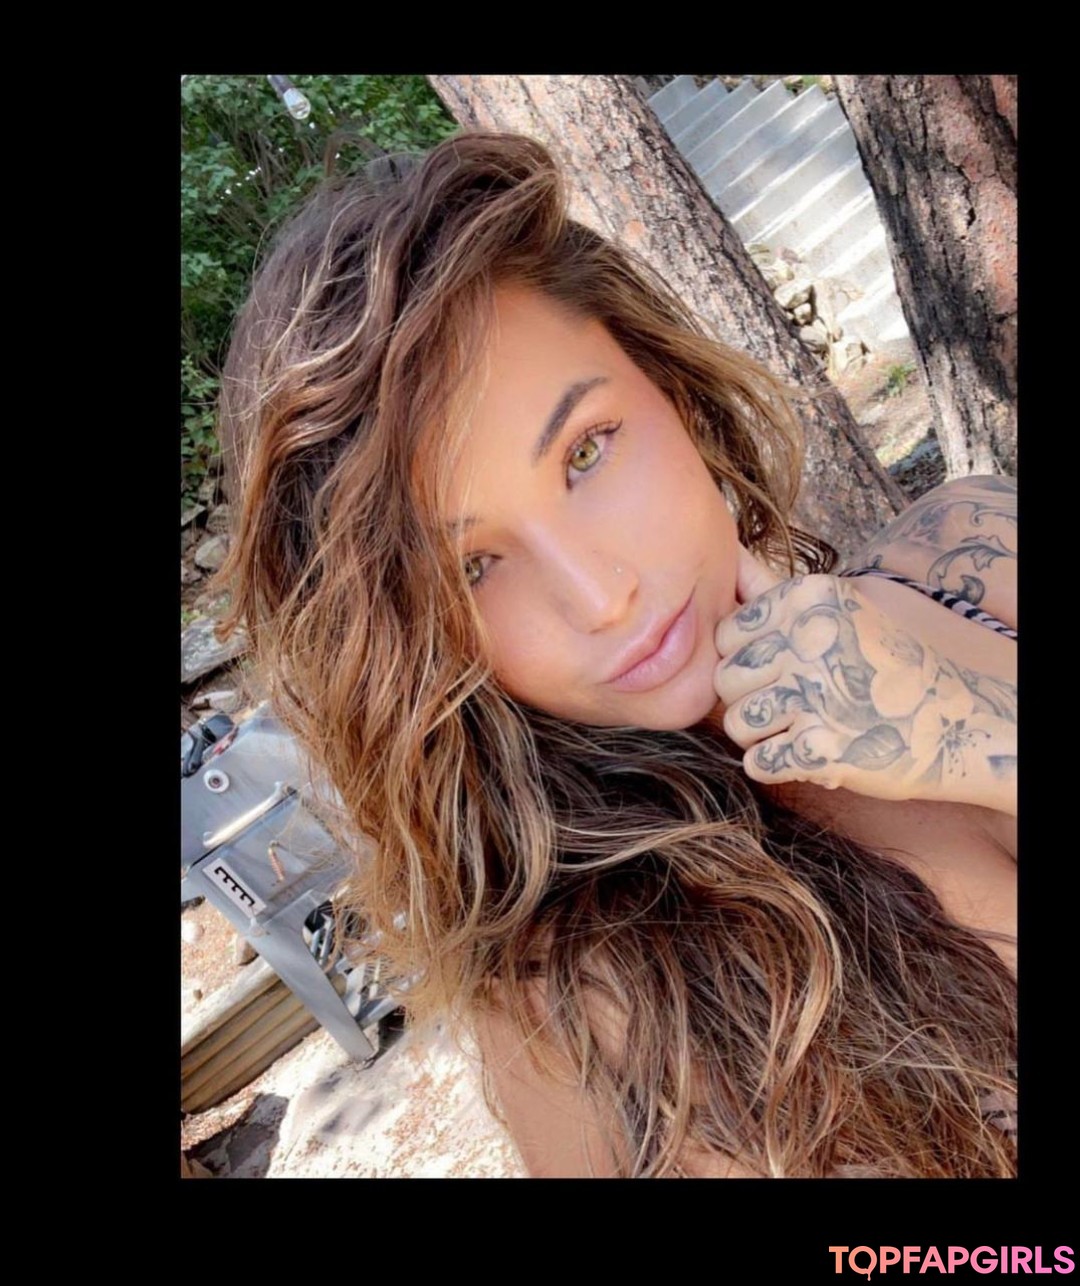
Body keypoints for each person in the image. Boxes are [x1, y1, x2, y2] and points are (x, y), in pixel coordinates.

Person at [216, 131, 1017, 1178]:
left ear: (668, 384)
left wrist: (974, 736)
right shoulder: (584, 1015)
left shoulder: (973, 551)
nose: (601, 599)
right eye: (473, 567)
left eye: (586, 451)